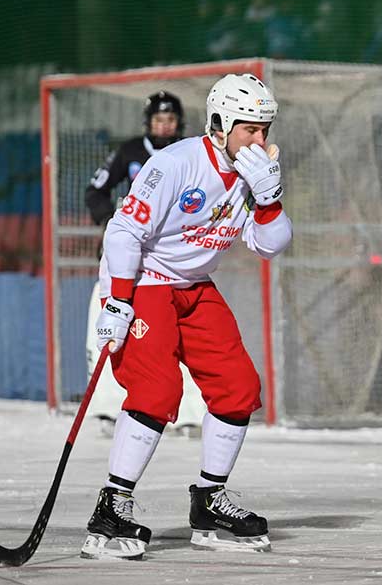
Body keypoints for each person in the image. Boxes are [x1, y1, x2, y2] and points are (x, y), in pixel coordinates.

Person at [81, 73, 292, 559]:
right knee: (157, 392)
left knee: (239, 387)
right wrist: (117, 301)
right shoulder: (177, 162)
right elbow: (122, 233)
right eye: (249, 129)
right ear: (220, 125)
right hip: (147, 281)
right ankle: (112, 504)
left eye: (265, 129)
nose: (260, 140)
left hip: (194, 286)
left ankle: (210, 501)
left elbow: (270, 245)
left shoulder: (254, 173)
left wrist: (269, 198)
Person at [84, 91, 207, 435]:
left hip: (168, 264)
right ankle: (109, 410)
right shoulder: (130, 152)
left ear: (178, 123)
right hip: (123, 264)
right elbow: (95, 191)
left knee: (180, 339)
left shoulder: (192, 154)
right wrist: (114, 223)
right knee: (111, 332)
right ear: (148, 123)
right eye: (158, 120)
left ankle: (188, 415)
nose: (164, 126)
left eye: (170, 120)